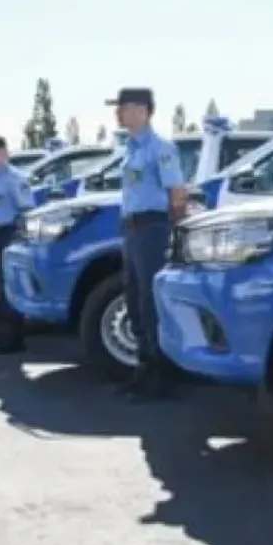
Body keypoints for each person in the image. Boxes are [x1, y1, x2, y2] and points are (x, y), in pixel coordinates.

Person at [109, 87, 186, 399]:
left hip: (152, 228)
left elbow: (177, 194)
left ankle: (160, 374)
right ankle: (143, 366)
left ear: (142, 110)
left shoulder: (161, 148)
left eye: (123, 107)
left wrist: (175, 231)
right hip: (131, 230)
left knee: (150, 301)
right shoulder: (129, 149)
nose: (118, 113)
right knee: (133, 298)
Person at [0, 136, 34, 354]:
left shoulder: (15, 179)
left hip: (7, 233)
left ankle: (14, 338)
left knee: (7, 286)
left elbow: (27, 209)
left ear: (4, 153)